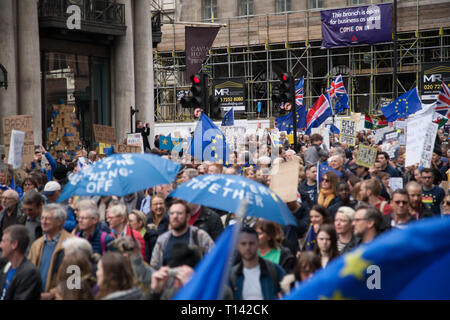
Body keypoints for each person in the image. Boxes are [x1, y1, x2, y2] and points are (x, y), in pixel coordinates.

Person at [150, 199, 214, 270]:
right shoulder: (163, 239)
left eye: (179, 213)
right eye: (172, 213)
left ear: (188, 216)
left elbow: (214, 260)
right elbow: (154, 267)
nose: (175, 216)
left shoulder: (200, 236)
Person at [28, 203, 73, 299]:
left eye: (47, 219)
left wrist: (52, 294)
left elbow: (75, 281)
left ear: (59, 222)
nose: (43, 222)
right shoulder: (36, 245)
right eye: (42, 218)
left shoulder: (72, 245)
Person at [229, 226, 286, 300]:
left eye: (251, 243)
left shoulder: (275, 271)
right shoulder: (231, 275)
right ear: (237, 246)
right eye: (243, 244)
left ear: (257, 243)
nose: (248, 247)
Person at [0, 225, 42, 300]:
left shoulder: (30, 273)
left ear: (14, 244)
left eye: (3, 241)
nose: (0, 245)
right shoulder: (8, 267)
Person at [146, 193, 170, 260]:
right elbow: (143, 236)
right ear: (151, 207)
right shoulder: (147, 220)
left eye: (161, 203)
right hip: (150, 256)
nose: (158, 206)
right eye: (155, 204)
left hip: (165, 256)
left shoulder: (169, 219)